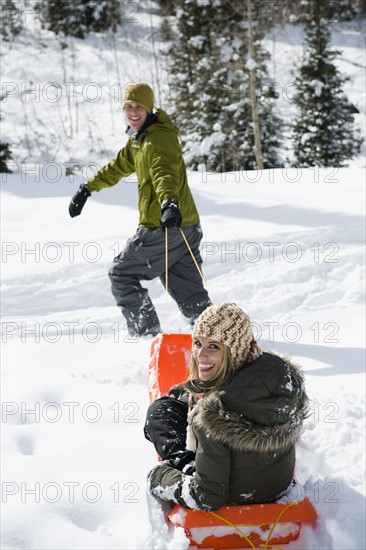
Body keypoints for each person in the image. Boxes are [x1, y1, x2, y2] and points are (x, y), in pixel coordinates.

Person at [68, 82, 211, 337]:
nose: (133, 112)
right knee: (191, 296)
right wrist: (87, 189)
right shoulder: (139, 142)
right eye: (128, 107)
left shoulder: (158, 138)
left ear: (149, 108)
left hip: (164, 225)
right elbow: (115, 168)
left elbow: (163, 171)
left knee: (122, 274)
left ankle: (148, 337)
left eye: (139, 107)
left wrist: (169, 202)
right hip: (185, 227)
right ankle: (218, 339)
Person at [145, 302, 309, 511]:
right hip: (277, 485)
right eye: (197, 343)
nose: (200, 355)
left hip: (232, 492)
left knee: (161, 412)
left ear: (235, 350)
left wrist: (158, 478)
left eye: (214, 346)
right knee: (174, 405)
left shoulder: (215, 415)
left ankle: (184, 460)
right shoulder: (282, 379)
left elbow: (206, 496)